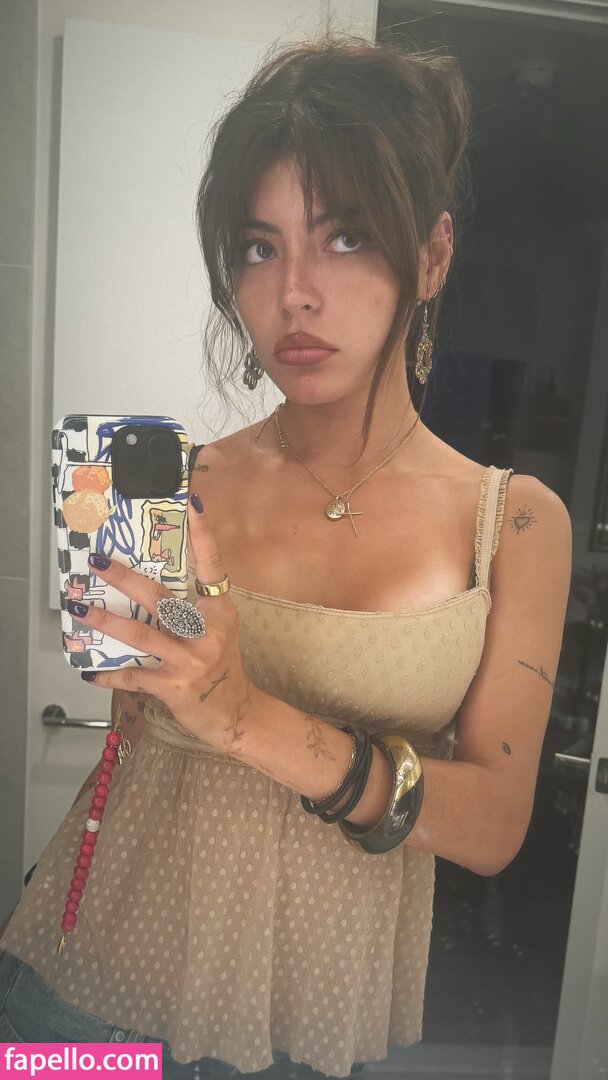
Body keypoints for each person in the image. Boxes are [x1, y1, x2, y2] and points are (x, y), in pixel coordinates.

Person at [0, 30, 572, 1080]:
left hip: (307, 1013)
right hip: (90, 994)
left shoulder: (515, 523)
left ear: (432, 255)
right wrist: (150, 661)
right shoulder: (180, 484)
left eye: (344, 237)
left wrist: (243, 716)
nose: (295, 292)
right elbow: (137, 732)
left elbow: (492, 823)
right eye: (259, 247)